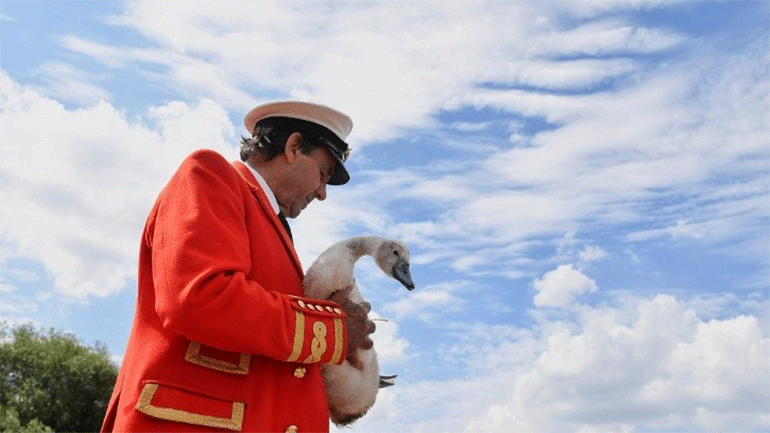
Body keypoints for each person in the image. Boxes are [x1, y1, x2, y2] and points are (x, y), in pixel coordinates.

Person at [101, 101, 376, 433]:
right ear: (292, 148)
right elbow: (200, 298)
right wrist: (332, 330)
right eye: (323, 173)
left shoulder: (273, 227)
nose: (321, 194)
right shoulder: (209, 172)